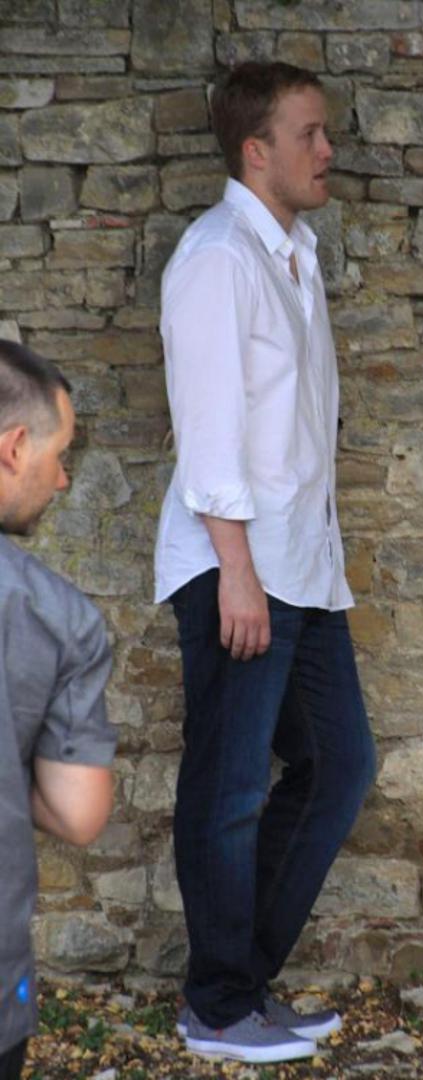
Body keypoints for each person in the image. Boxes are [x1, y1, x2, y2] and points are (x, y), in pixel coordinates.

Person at [154, 61, 376, 1065]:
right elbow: (209, 429)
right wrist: (235, 570)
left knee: (338, 764)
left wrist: (306, 562)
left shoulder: (293, 254)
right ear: (256, 151)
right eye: (309, 134)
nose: (327, 150)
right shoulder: (217, 258)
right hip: (237, 564)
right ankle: (218, 1006)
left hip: (303, 566)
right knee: (230, 784)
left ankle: (240, 986)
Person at [0, 339, 115, 1080]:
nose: (64, 478)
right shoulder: (57, 617)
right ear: (14, 448)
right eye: (60, 454)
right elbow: (79, 812)